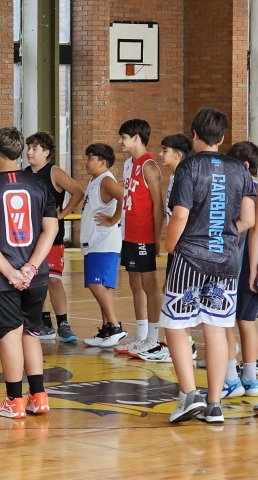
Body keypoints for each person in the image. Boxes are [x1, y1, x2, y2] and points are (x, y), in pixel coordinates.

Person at [161, 108, 255, 424]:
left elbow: (181, 215)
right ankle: (215, 405)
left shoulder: (189, 166)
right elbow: (249, 219)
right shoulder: (239, 170)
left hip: (190, 258)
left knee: (175, 324)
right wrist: (223, 232)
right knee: (216, 328)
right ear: (223, 138)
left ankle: (189, 395)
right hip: (226, 260)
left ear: (195, 136)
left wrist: (171, 245)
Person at [0, 127, 58, 418]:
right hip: (36, 275)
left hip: (2, 276)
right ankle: (39, 396)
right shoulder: (38, 184)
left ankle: (14, 400)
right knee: (31, 331)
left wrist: (10, 272)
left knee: (9, 334)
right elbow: (52, 228)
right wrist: (31, 267)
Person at [137, 134, 195, 363]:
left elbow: (183, 215)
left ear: (178, 154)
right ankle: (181, 344)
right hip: (179, 244)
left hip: (183, 245)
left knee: (179, 294)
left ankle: (182, 346)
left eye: (165, 151)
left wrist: (172, 243)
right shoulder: (176, 175)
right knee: (171, 289)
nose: (160, 155)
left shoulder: (185, 176)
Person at [24, 132, 84, 343]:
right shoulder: (23, 174)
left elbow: (78, 192)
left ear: (46, 152)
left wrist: (63, 214)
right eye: (28, 148)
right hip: (31, 237)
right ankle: (45, 322)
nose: (30, 152)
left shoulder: (54, 172)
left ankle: (64, 323)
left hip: (52, 237)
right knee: (36, 282)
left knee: (53, 280)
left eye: (35, 148)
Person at [113, 119, 164, 358]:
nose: (120, 142)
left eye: (123, 137)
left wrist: (156, 238)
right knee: (134, 284)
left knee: (149, 285)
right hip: (129, 233)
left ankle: (154, 338)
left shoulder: (149, 165)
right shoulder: (127, 164)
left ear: (136, 137)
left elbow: (158, 204)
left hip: (144, 234)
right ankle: (141, 334)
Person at [219, 141, 258, 398]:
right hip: (248, 265)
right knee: (246, 320)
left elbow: (252, 229)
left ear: (243, 166)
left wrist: (253, 269)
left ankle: (231, 379)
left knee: (224, 321)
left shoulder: (247, 190)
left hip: (243, 264)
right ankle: (250, 379)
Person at [79, 143, 127, 348]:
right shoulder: (95, 180)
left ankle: (115, 326)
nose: (86, 161)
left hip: (104, 242)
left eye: (90, 157)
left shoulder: (106, 180)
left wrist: (114, 219)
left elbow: (125, 197)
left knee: (95, 283)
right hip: (95, 242)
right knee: (102, 287)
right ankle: (106, 327)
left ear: (102, 161)